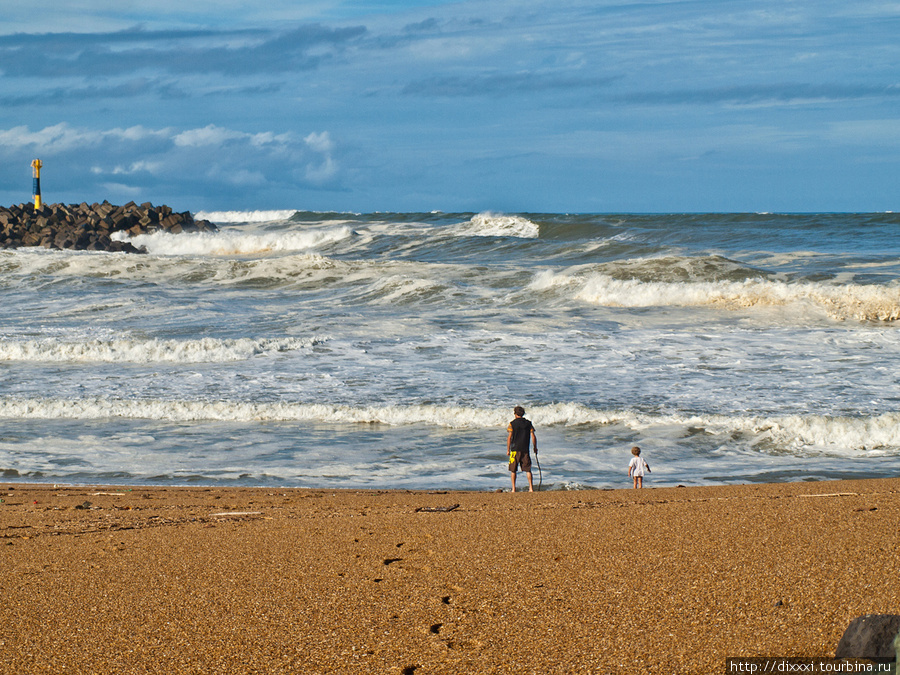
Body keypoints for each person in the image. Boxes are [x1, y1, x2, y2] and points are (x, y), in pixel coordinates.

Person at [507, 406, 537, 492]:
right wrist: (535, 447)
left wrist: (508, 450)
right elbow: (533, 436)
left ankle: (513, 489)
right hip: (525, 449)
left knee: (513, 470)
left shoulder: (512, 424)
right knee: (528, 469)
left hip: (514, 449)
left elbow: (509, 437)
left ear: (515, 414)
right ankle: (531, 488)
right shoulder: (528, 423)